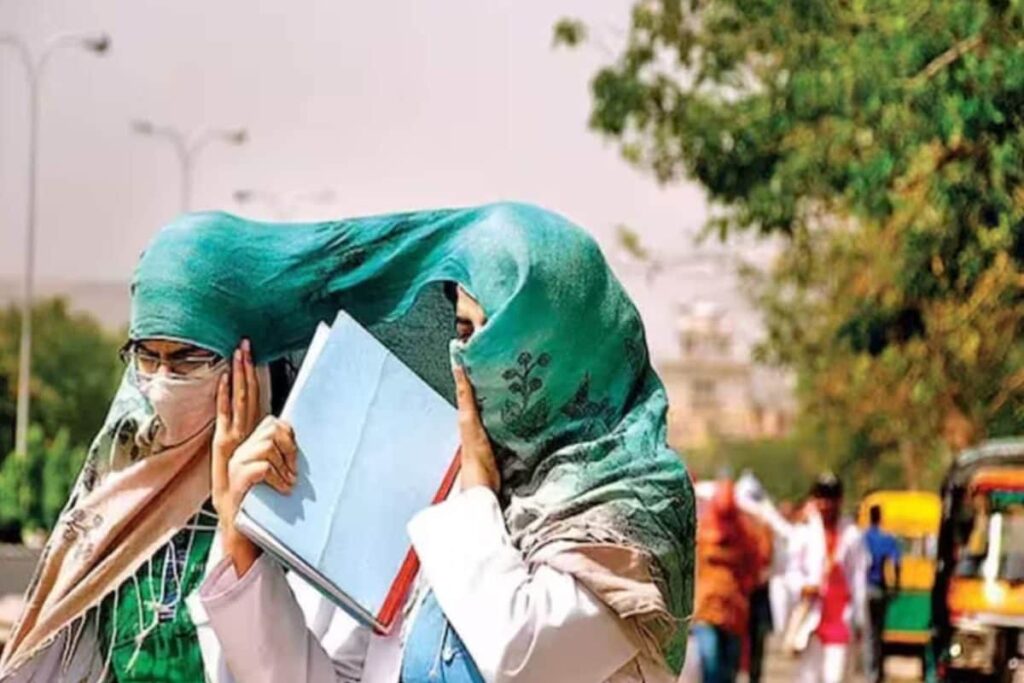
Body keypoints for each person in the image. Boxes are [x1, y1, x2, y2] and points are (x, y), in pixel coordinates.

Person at [0, 203, 695, 683]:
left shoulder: (628, 535)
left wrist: (477, 492)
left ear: (559, 349)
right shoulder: (455, 507)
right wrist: (243, 553)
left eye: (487, 336)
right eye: (459, 331)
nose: (467, 363)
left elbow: (521, 648)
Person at [688, 479, 759, 683]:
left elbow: (755, 566)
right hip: (706, 610)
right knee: (710, 662)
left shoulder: (745, 535)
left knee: (729, 668)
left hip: (734, 612)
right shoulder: (701, 532)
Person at [862, 504, 901, 683]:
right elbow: (896, 562)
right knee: (880, 633)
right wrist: (896, 585)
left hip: (865, 588)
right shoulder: (888, 539)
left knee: (869, 633)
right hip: (881, 589)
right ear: (881, 517)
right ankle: (878, 672)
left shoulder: (863, 538)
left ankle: (870, 673)